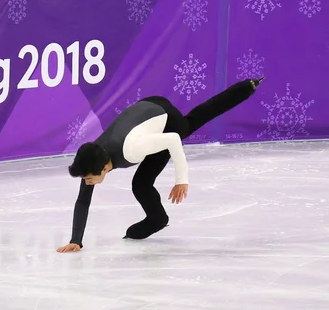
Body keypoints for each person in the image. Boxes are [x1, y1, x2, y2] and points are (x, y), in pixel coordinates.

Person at [56, 78, 264, 253]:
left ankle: (157, 219)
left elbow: (172, 139)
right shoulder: (92, 155)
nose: (87, 182)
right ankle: (246, 87)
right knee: (141, 181)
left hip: (167, 121)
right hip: (147, 108)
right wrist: (76, 240)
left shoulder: (132, 149)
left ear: (103, 169)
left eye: (88, 178)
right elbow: (83, 201)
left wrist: (181, 180)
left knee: (144, 180)